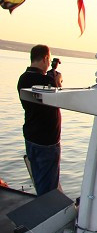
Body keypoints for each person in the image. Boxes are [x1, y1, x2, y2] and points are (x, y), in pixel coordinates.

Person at [16, 44, 63, 195]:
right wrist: (56, 81)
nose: (49, 64)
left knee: (39, 179)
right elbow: (58, 99)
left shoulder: (23, 79)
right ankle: (48, 214)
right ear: (45, 58)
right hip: (46, 142)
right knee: (48, 187)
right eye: (49, 60)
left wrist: (51, 79)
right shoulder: (45, 81)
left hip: (31, 137)